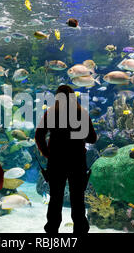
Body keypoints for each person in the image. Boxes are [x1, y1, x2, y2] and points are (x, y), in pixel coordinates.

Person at [35, 85, 97, 234]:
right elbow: (92, 138)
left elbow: (39, 136)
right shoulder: (81, 113)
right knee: (78, 198)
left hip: (56, 161)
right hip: (77, 161)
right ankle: (80, 229)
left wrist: (46, 153)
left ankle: (52, 229)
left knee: (55, 197)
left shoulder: (51, 113)